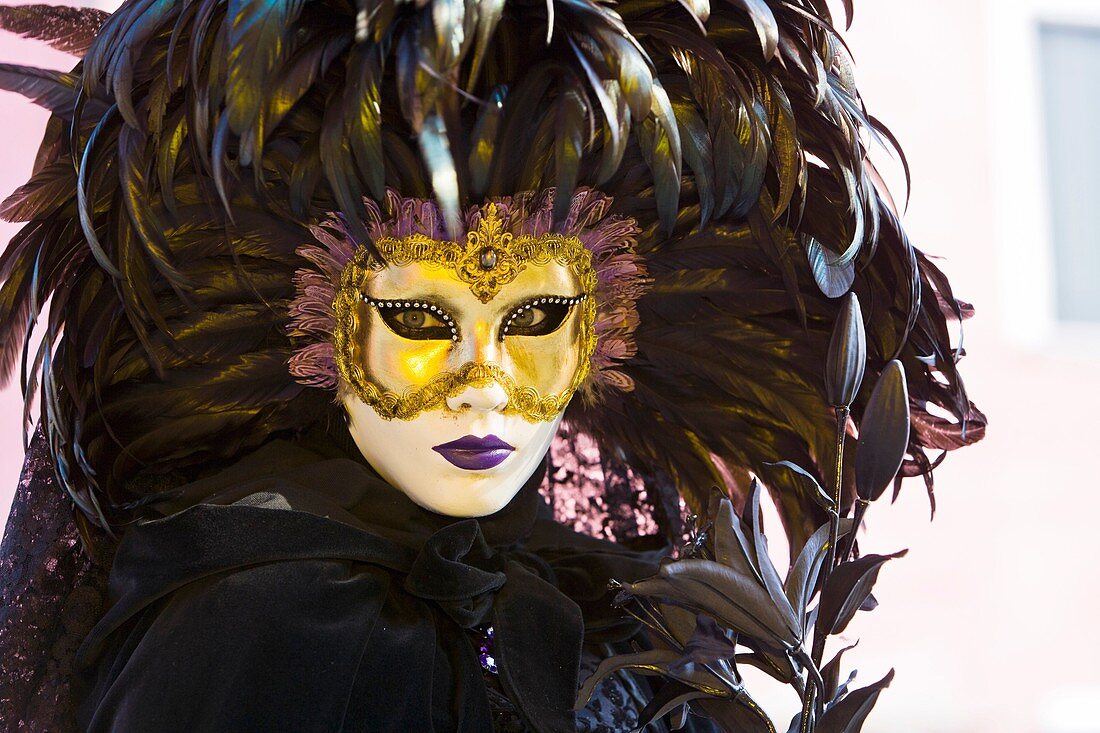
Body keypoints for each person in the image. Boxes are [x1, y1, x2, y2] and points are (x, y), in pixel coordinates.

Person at [0, 1, 984, 731]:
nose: (481, 381)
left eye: (536, 316)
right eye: (424, 319)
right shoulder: (268, 622)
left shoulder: (602, 618)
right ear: (314, 335)